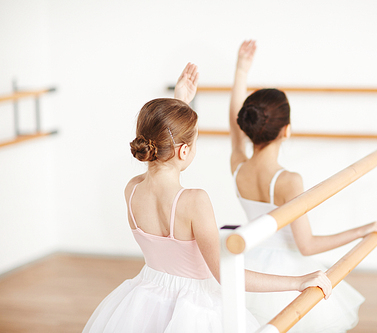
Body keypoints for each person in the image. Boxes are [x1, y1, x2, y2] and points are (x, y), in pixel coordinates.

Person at [83, 63, 332, 333]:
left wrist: (180, 102)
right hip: (194, 308)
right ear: (184, 151)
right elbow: (227, 275)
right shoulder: (194, 201)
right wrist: (297, 282)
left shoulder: (131, 189)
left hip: (145, 299)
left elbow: (165, 143)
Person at [229, 40, 377, 332]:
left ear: (247, 125)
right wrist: (362, 230)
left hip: (250, 263)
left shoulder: (238, 165)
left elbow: (233, 126)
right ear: (287, 130)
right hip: (286, 271)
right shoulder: (288, 180)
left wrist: (241, 71)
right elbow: (307, 246)